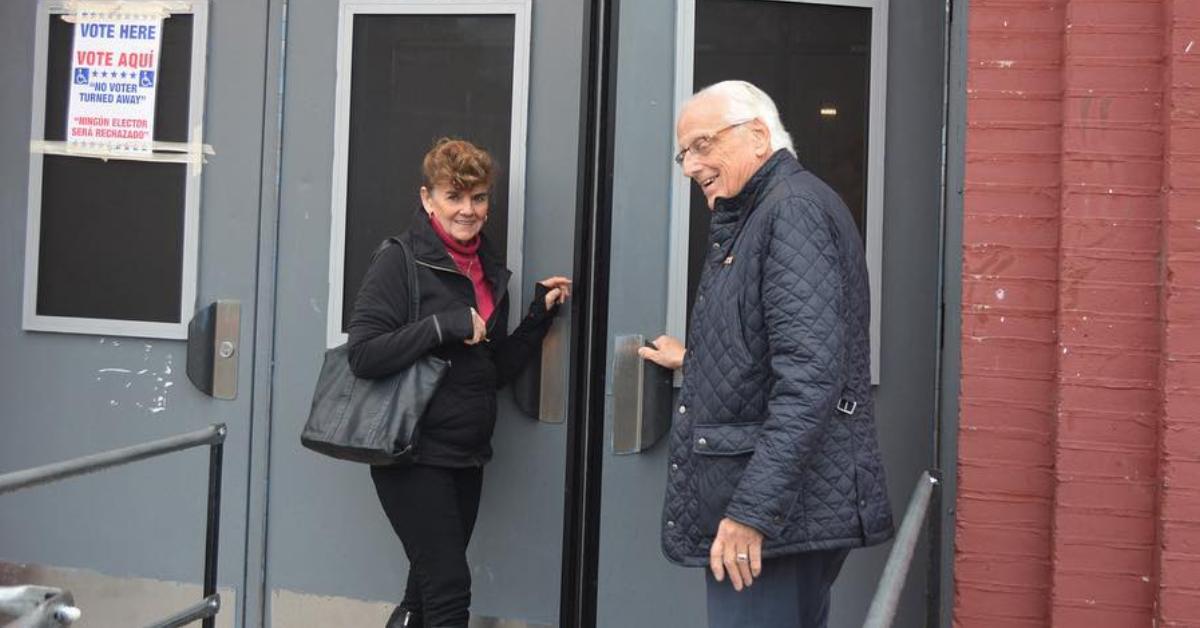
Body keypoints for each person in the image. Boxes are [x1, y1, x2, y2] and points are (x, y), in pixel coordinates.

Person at [638, 80, 893, 628]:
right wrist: (697, 360)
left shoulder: (790, 210)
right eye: (684, 153)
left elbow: (809, 378)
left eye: (702, 145)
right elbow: (781, 345)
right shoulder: (761, 211)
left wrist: (751, 512)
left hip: (773, 519)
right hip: (783, 513)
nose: (689, 166)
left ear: (757, 135)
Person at [347, 138, 570, 628]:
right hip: (410, 453)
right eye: (455, 197)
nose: (468, 211)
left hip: (464, 456)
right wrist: (442, 325)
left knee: (423, 594)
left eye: (479, 198)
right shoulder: (400, 260)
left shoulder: (487, 271)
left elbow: (490, 371)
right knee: (449, 592)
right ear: (428, 199)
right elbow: (363, 354)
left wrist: (536, 317)